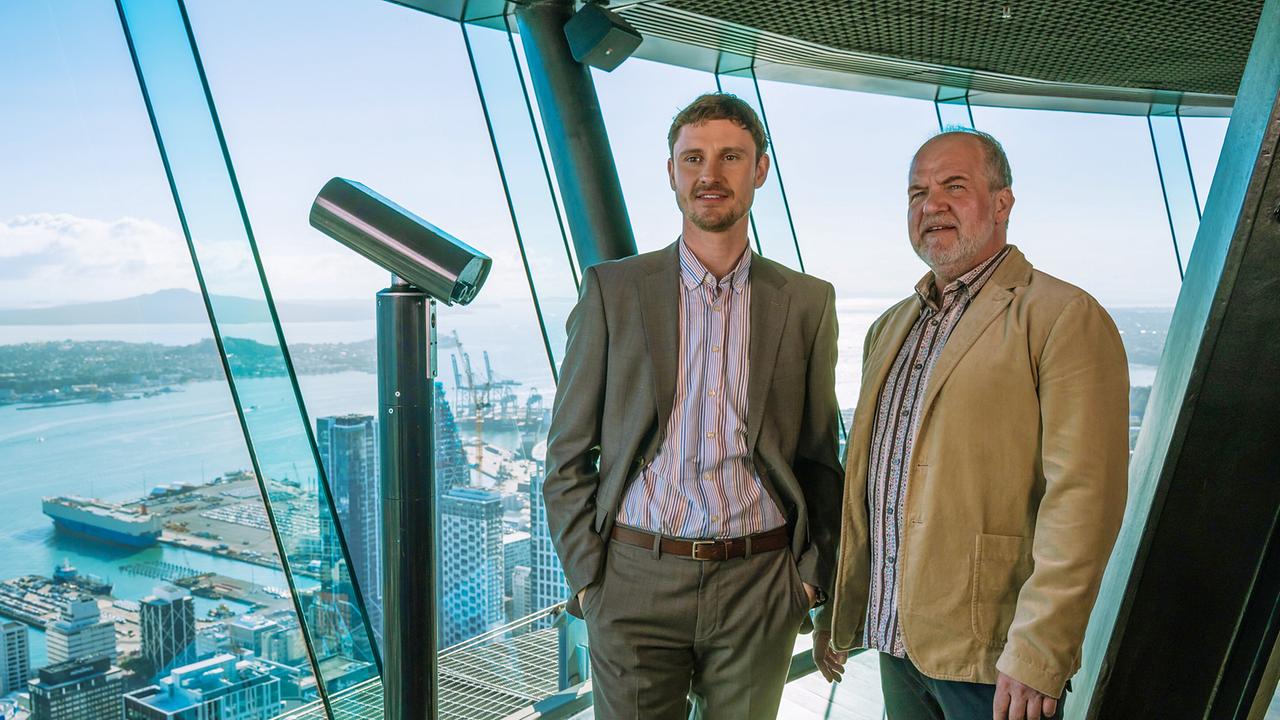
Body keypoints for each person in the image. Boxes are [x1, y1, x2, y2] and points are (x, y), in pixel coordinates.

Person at [542, 92, 843, 720]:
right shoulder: (613, 290)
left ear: (760, 170)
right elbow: (568, 452)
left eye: (730, 157)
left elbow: (819, 457)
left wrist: (807, 578)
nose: (710, 175)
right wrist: (590, 579)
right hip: (632, 580)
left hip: (760, 583)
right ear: (673, 172)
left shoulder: (807, 302)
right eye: (693, 158)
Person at [813, 129, 1129, 720]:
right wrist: (841, 607)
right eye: (917, 193)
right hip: (896, 640)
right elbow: (873, 485)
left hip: (996, 659)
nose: (931, 205)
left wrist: (1040, 652)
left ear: (1003, 202)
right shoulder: (890, 327)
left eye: (954, 187)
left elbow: (1085, 500)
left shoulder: (1063, 317)